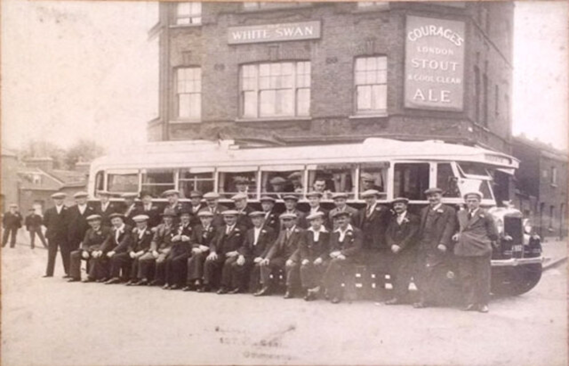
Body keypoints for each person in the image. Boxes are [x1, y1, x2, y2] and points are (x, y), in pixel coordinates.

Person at [453, 191, 498, 313]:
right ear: (465, 202)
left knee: (482, 277)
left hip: (481, 249)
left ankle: (483, 304)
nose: (471, 203)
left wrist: (484, 241)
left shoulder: (486, 215)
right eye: (469, 201)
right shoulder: (460, 214)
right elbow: (457, 228)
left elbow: (493, 233)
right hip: (463, 248)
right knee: (466, 276)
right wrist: (457, 234)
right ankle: (470, 302)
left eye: (474, 201)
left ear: (479, 202)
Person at [414, 187, 457, 309]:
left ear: (441, 196)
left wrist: (443, 243)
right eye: (430, 196)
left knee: (432, 272)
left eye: (435, 196)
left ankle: (425, 300)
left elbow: (449, 227)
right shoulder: (424, 210)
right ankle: (428, 298)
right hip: (423, 246)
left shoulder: (449, 210)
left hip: (437, 247)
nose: (433, 198)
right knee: (421, 271)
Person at [254, 212, 303, 298]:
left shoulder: (301, 232)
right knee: (265, 264)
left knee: (290, 265)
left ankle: (290, 289)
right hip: (283, 257)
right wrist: (267, 258)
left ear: (295, 221)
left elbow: (300, 248)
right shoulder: (282, 232)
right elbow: (275, 246)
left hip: (296, 258)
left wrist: (292, 259)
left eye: (289, 220)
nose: (286, 222)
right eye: (284, 220)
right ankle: (266, 287)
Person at [384, 197, 420, 305]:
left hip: (408, 251)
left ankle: (401, 297)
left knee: (404, 273)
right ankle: (399, 296)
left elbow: (412, 235)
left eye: (400, 205)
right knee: (394, 272)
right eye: (395, 205)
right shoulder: (393, 218)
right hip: (395, 250)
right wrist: (392, 244)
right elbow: (387, 233)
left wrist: (401, 246)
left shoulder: (413, 218)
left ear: (406, 206)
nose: (397, 207)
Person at [323, 211, 363, 304]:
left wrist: (342, 253)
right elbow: (331, 247)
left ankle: (327, 286)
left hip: (353, 257)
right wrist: (333, 253)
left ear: (349, 219)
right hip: (338, 258)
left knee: (334, 263)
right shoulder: (335, 232)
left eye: (343, 218)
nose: (340, 221)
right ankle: (336, 293)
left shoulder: (356, 231)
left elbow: (357, 247)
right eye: (338, 219)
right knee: (334, 265)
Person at [203, 210, 247, 294]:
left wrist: (237, 252)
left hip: (234, 254)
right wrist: (213, 252)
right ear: (223, 218)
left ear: (236, 218)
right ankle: (207, 284)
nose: (228, 219)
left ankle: (224, 286)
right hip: (222, 253)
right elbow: (213, 242)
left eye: (231, 217)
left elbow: (245, 244)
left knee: (228, 263)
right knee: (209, 261)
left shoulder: (242, 229)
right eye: (226, 217)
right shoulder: (221, 229)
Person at [135, 209, 177, 285]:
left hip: (168, 249)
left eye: (169, 218)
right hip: (157, 249)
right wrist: (153, 250)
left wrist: (167, 250)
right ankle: (143, 278)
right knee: (142, 259)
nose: (167, 219)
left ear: (173, 219)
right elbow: (154, 240)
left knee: (159, 261)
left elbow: (175, 242)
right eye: (165, 217)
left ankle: (159, 279)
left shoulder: (176, 228)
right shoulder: (160, 226)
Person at [238, 211, 276, 293]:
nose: (255, 221)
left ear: (263, 219)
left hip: (263, 255)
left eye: (258, 218)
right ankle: (240, 287)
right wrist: (241, 255)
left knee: (257, 266)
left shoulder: (269, 230)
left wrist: (262, 257)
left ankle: (256, 288)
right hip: (252, 255)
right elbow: (245, 246)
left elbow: (269, 246)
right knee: (237, 264)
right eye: (253, 219)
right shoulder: (249, 231)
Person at [67, 214, 112, 282]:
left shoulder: (106, 229)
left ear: (99, 221)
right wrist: (85, 250)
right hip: (90, 250)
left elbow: (107, 242)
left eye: (95, 221)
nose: (94, 223)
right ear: (89, 223)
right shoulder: (89, 231)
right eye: (91, 222)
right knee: (74, 254)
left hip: (103, 250)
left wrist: (98, 250)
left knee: (95, 257)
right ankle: (75, 276)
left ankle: (91, 276)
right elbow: (85, 243)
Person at [90, 213, 132, 283]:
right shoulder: (112, 229)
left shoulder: (128, 228)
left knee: (115, 257)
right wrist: (100, 250)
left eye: (117, 220)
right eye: (113, 221)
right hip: (115, 249)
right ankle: (103, 276)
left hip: (126, 250)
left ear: (122, 220)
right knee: (100, 256)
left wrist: (114, 251)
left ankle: (114, 277)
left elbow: (124, 242)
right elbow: (108, 241)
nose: (115, 223)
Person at [298, 212, 330, 301]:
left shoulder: (327, 232)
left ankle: (325, 289)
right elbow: (302, 247)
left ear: (322, 221)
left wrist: (321, 258)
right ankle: (310, 290)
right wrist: (304, 258)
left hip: (324, 257)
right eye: (312, 221)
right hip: (310, 256)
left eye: (317, 220)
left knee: (323, 265)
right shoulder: (306, 232)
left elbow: (330, 248)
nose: (315, 223)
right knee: (304, 267)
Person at [183, 210, 216, 292]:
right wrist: (198, 246)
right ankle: (196, 281)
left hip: (211, 251)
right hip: (200, 251)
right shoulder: (197, 228)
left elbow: (215, 242)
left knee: (196, 258)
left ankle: (199, 282)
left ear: (211, 219)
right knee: (195, 256)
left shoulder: (216, 228)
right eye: (202, 218)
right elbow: (192, 241)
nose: (204, 220)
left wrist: (209, 249)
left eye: (206, 218)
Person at [163, 210, 193, 289]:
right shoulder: (176, 226)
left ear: (190, 217)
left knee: (176, 260)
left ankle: (177, 282)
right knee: (169, 259)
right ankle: (168, 282)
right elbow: (170, 237)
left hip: (187, 249)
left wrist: (188, 238)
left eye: (187, 216)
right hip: (176, 248)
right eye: (183, 216)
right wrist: (173, 238)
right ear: (180, 218)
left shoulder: (193, 227)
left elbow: (195, 238)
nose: (185, 218)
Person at [43, 192, 70, 278]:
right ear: (54, 200)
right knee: (51, 254)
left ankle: (68, 272)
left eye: (60, 199)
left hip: (64, 236)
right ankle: (49, 273)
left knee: (65, 254)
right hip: (52, 235)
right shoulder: (49, 211)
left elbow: (70, 222)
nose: (58, 201)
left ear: (63, 199)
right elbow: (45, 222)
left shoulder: (68, 210)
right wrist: (52, 229)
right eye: (56, 199)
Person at [125, 215, 154, 286]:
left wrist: (142, 252)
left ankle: (140, 278)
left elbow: (150, 245)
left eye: (141, 222)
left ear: (146, 223)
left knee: (138, 259)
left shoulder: (150, 232)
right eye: (138, 223)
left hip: (145, 251)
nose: (139, 224)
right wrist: (131, 251)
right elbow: (129, 244)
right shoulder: (134, 232)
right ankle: (129, 277)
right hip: (135, 251)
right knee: (125, 257)